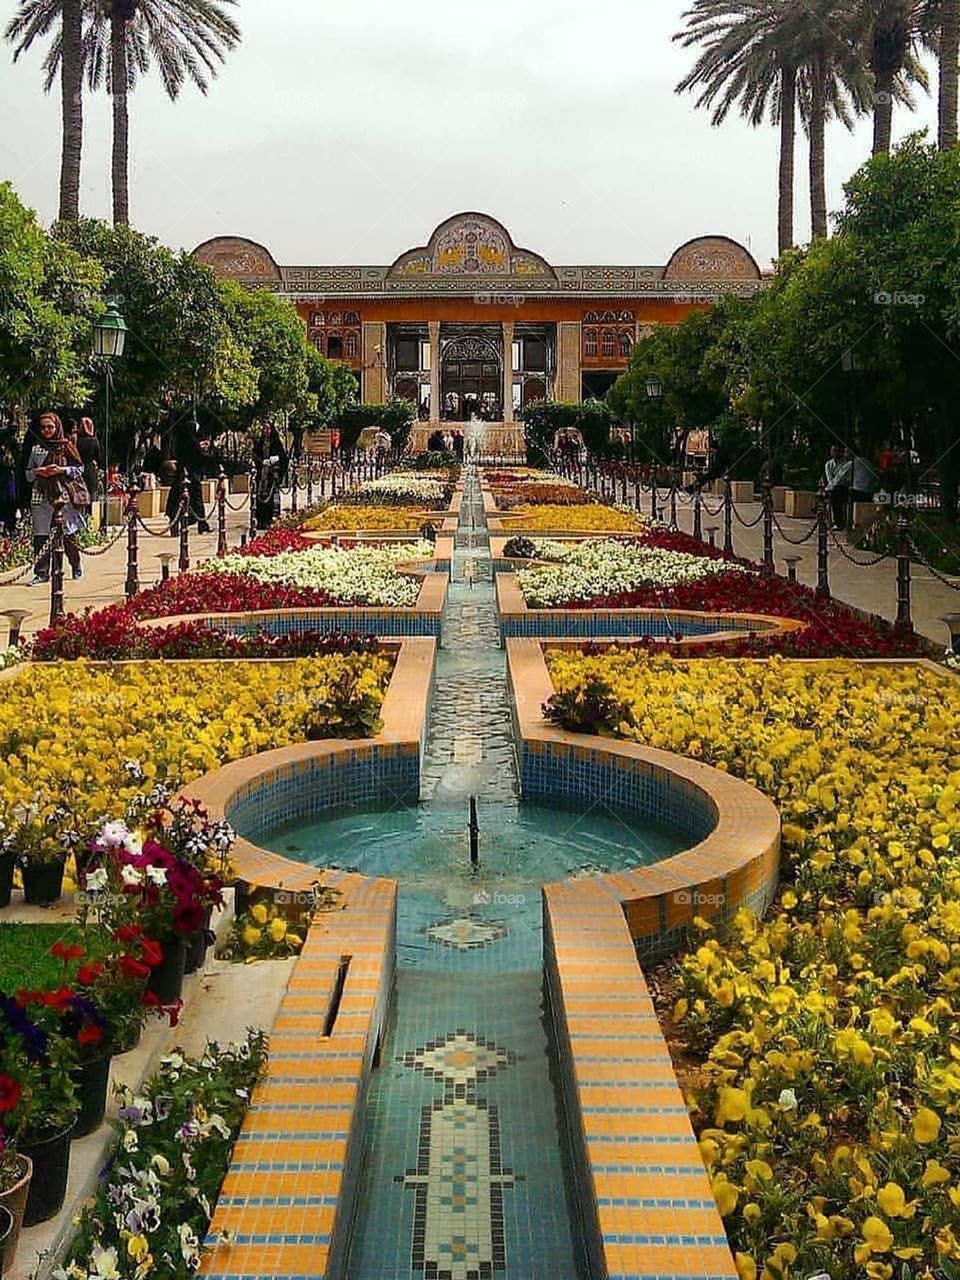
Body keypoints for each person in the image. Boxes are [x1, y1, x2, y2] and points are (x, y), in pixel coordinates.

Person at [26, 412, 87, 584]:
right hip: (41, 495)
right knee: (41, 535)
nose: (46, 430)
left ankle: (75, 565)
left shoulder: (66, 446)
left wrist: (61, 470)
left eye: (50, 427)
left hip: (62, 495)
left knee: (67, 533)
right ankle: (42, 573)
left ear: (57, 427)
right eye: (43, 427)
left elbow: (79, 469)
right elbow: (28, 474)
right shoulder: (36, 449)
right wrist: (38, 472)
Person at [252, 423, 289, 529]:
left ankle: (271, 519)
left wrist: (275, 459)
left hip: (272, 475)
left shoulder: (276, 443)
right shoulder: (260, 443)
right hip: (262, 474)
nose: (266, 431)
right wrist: (260, 461)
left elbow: (283, 457)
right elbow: (255, 454)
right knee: (260, 497)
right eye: (264, 429)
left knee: (271, 497)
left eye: (268, 429)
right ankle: (261, 521)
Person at [824, 445, 852, 530]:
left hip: (843, 488)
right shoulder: (828, 464)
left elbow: (843, 478)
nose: (834, 453)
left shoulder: (847, 464)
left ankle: (838, 522)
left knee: (836, 495)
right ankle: (827, 520)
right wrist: (830, 486)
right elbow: (830, 478)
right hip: (832, 487)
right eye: (833, 451)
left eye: (836, 451)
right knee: (829, 494)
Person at [0, 427, 20, 536]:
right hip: (3, 475)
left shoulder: (12, 445)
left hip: (9, 475)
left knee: (11, 500)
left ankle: (10, 526)